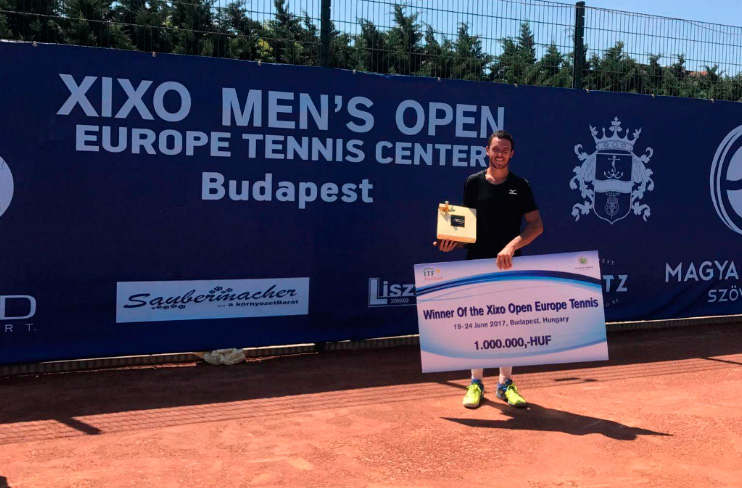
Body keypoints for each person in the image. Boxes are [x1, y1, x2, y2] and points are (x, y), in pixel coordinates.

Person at [433, 130, 543, 409]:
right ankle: (475, 383)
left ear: (512, 154)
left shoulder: (521, 186)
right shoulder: (473, 183)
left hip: (509, 264)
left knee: (508, 326)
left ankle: (505, 384)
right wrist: (450, 243)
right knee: (477, 325)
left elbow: (536, 225)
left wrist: (512, 246)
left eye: (505, 149)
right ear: (487, 151)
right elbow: (466, 230)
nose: (500, 153)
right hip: (477, 263)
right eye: (496, 149)